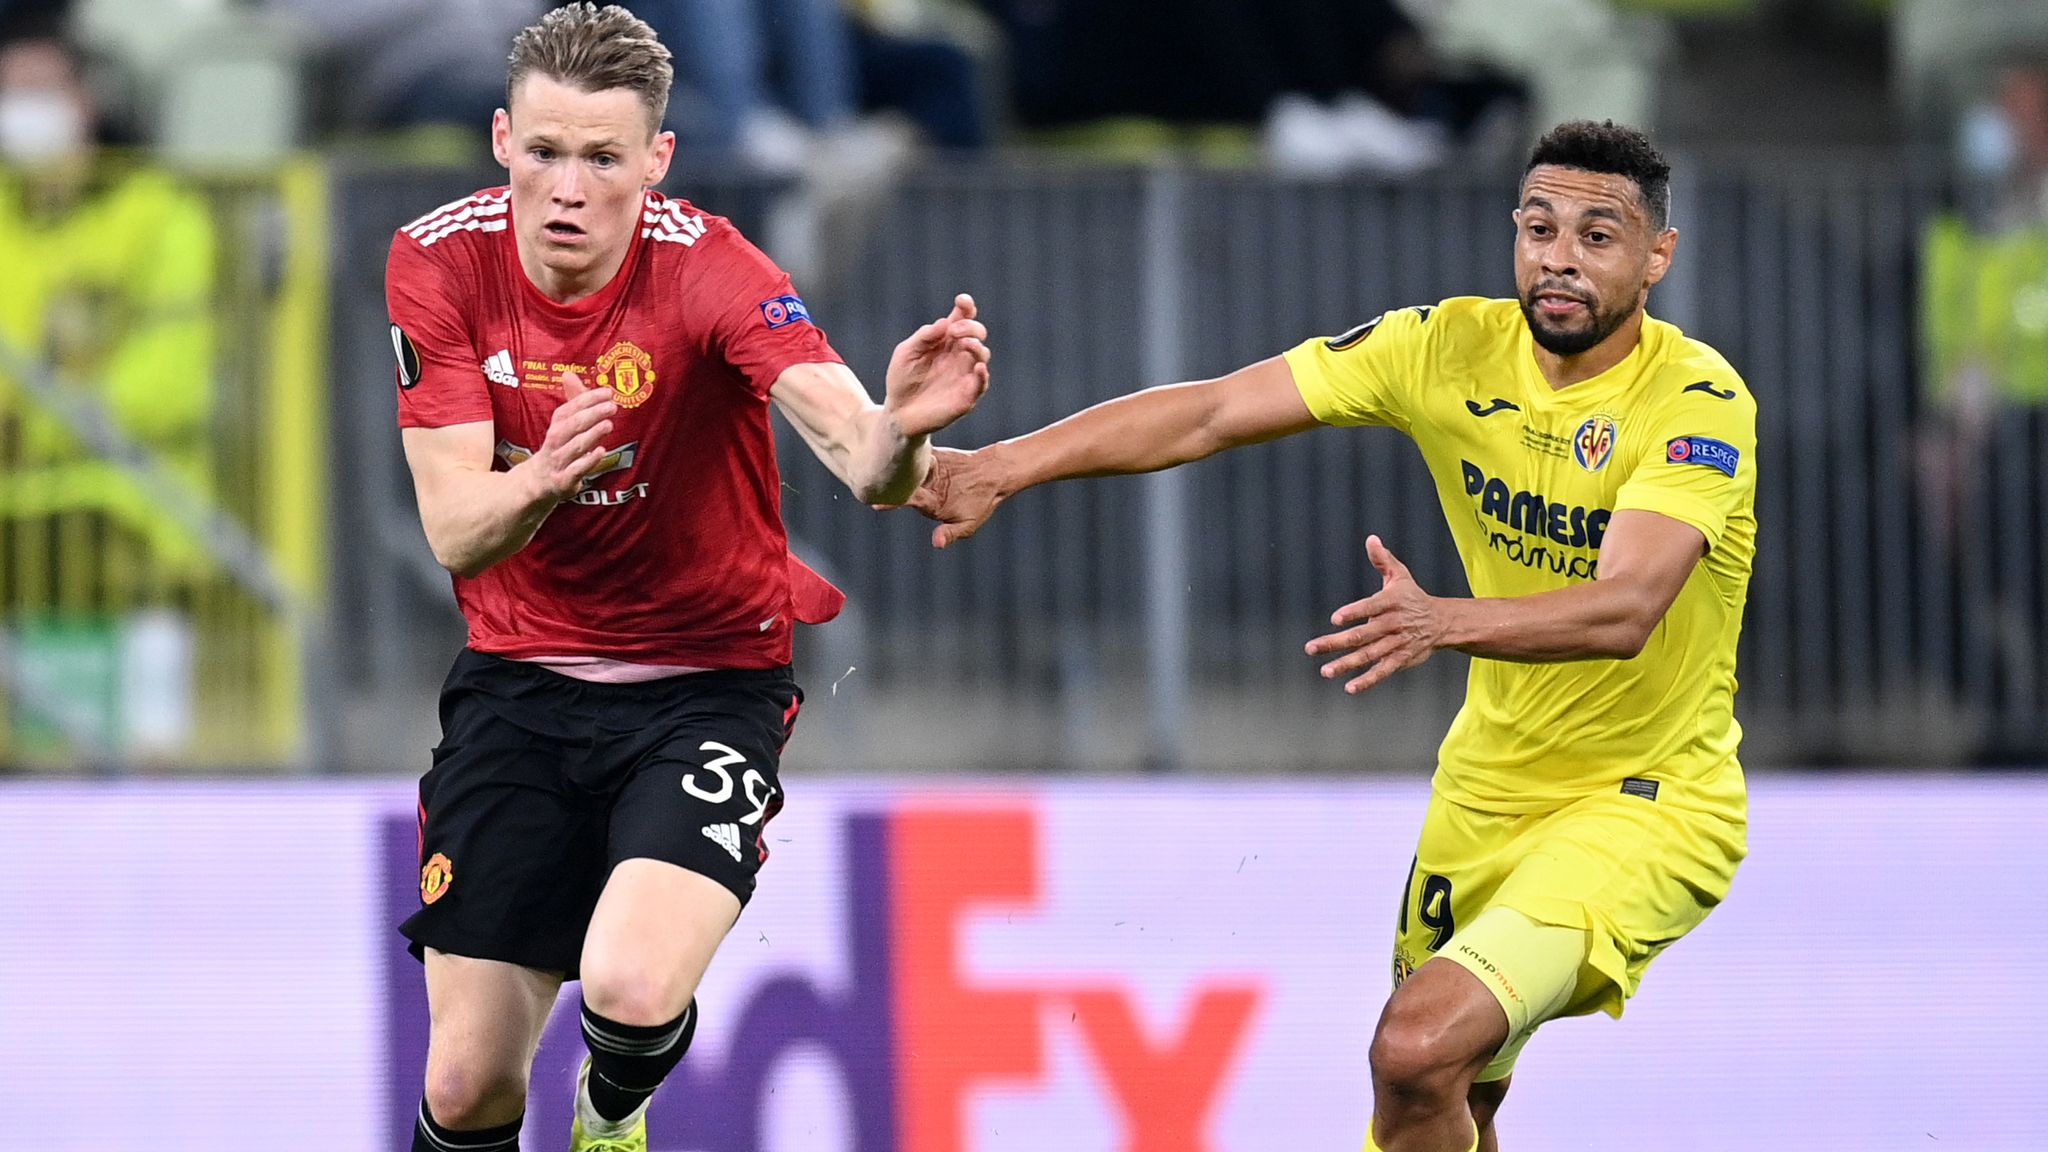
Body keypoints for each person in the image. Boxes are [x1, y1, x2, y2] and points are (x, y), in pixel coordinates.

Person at [903, 120, 1752, 1152]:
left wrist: (1442, 621)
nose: (1559, 259)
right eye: (1539, 229)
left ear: (1657, 256)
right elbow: (1212, 411)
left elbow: (1626, 609)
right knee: (1438, 1098)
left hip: (1643, 801)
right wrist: (998, 467)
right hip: (1483, 791)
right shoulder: (1445, 347)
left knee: (1415, 1046)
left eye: (1597, 236)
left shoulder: (1696, 403)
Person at [384, 6, 989, 1150]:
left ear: (655, 159)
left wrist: (902, 427)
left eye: (602, 159)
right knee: (465, 1086)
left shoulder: (712, 268)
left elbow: (861, 460)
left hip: (704, 687)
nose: (567, 189)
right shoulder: (437, 259)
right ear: (503, 139)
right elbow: (457, 531)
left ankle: (611, 1114)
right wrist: (543, 479)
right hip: (518, 686)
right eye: (544, 152)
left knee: (626, 988)